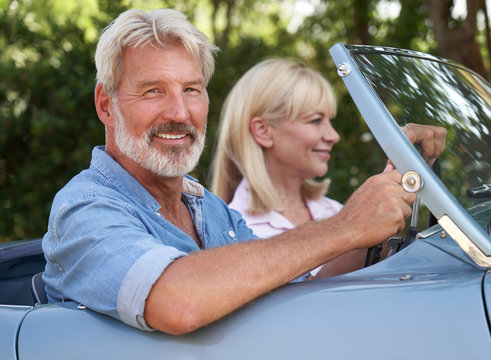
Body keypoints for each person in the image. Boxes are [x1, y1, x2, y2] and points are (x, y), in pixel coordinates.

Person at [41, 8, 446, 336]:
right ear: (106, 105)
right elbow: (178, 301)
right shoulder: (84, 208)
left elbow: (300, 292)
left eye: (191, 90)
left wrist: (393, 187)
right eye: (153, 91)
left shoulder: (209, 208)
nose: (180, 113)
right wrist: (345, 225)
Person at [211, 58, 367, 275]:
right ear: (263, 131)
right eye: (315, 120)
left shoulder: (334, 211)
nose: (333, 136)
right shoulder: (234, 232)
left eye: (330, 121)